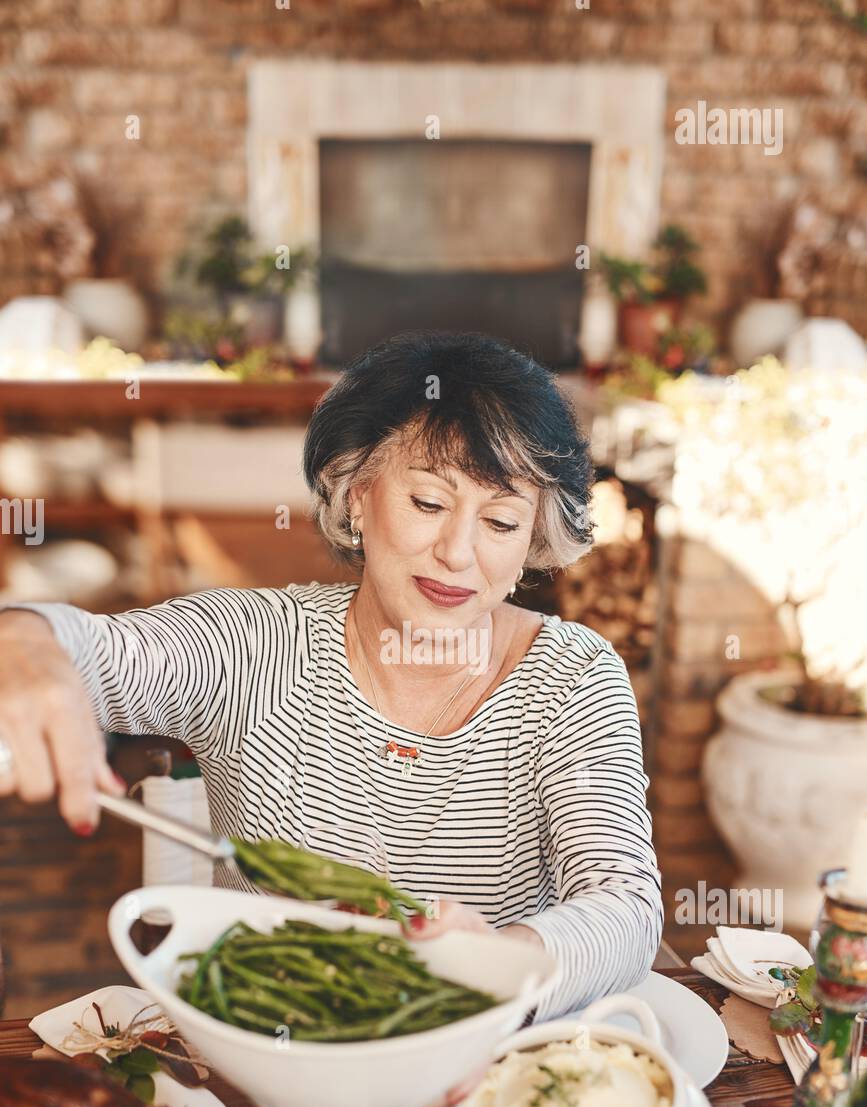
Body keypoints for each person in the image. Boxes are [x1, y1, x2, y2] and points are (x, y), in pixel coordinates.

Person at [0, 331, 662, 1024]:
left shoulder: (572, 678)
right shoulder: (252, 647)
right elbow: (94, 652)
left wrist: (501, 964)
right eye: (429, 504)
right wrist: (24, 638)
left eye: (499, 521)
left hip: (480, 1064)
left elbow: (622, 904)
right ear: (355, 495)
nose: (457, 553)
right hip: (264, 1059)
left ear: (532, 540)